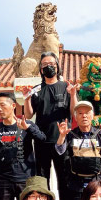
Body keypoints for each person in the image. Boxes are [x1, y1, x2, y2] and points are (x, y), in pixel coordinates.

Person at [22, 51, 78, 192]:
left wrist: (73, 95)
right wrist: (27, 99)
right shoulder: (36, 90)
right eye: (45, 64)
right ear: (41, 69)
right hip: (41, 140)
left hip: (62, 139)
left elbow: (74, 112)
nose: (49, 67)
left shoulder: (66, 87)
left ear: (57, 66)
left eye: (52, 64)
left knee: (64, 179)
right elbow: (28, 115)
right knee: (42, 179)